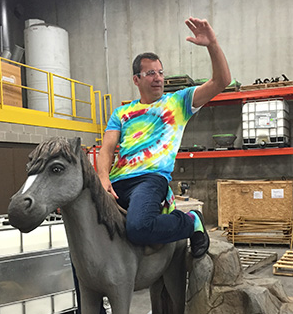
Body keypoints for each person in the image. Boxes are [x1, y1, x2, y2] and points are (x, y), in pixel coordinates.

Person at [97, 17, 231, 255]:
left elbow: (222, 81)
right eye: (150, 73)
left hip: (150, 179)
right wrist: (102, 178)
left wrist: (212, 44)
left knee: (138, 228)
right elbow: (107, 149)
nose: (158, 78)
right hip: (117, 181)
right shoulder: (122, 112)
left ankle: (191, 221)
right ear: (136, 79)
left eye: (160, 72)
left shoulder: (178, 101)